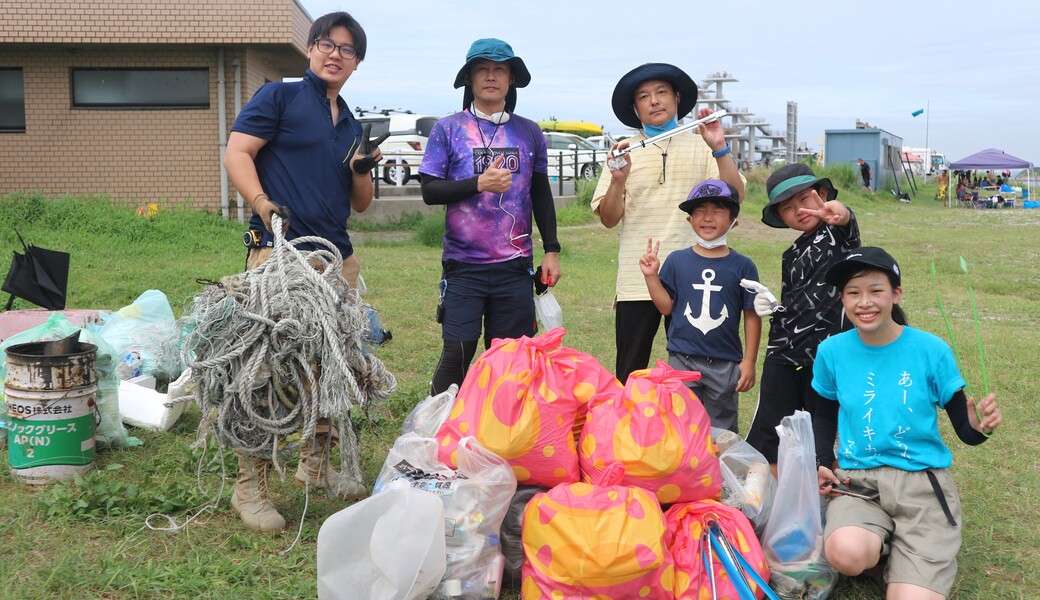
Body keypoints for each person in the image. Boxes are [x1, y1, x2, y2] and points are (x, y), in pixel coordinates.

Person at [222, 11, 379, 532]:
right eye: (326, 44)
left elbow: (361, 204)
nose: (335, 54)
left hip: (336, 259)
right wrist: (263, 203)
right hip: (279, 254)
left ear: (356, 62)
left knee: (333, 366)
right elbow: (238, 152)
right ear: (310, 50)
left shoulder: (352, 125)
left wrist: (361, 169)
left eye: (347, 49)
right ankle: (250, 488)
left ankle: (315, 466)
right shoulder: (280, 97)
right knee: (268, 369)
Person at [812, 247, 1002, 599]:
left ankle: (913, 553)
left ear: (896, 294)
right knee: (845, 552)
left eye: (875, 291)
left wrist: (979, 426)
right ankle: (883, 551)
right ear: (842, 299)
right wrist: (823, 461)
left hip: (921, 487)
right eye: (853, 293)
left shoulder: (931, 350)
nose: (864, 302)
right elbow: (824, 412)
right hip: (859, 484)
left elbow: (965, 428)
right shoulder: (832, 351)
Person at [419, 38, 561, 395]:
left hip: (515, 267)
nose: (491, 76)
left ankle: (502, 442)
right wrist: (478, 183)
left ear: (511, 79)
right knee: (457, 354)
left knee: (512, 362)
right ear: (469, 78)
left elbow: (541, 194)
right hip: (463, 266)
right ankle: (437, 439)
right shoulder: (448, 129)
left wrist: (552, 249)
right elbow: (430, 191)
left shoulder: (529, 132)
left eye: (500, 69)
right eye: (482, 68)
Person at [591, 63, 745, 383]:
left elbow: (735, 195)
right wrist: (619, 179)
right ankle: (629, 429)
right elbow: (608, 219)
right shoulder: (623, 151)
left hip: (694, 274)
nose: (655, 101)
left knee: (695, 368)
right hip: (637, 277)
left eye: (662, 92)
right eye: (644, 96)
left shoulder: (702, 145)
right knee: (630, 370)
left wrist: (719, 147)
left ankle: (690, 429)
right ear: (635, 108)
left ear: (676, 98)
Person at [745, 163, 860, 472]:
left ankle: (828, 495)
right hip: (783, 348)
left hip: (825, 351)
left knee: (824, 428)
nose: (798, 211)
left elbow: (846, 221)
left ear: (821, 195)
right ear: (780, 217)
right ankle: (769, 499)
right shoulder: (791, 254)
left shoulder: (838, 233)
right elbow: (797, 301)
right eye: (787, 208)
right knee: (771, 427)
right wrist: (773, 306)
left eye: (804, 200)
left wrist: (842, 213)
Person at [638, 180, 761, 432]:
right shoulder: (676, 261)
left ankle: (717, 471)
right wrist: (651, 276)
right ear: (689, 220)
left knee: (722, 431)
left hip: (725, 363)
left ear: (734, 221)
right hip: (682, 359)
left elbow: (751, 315)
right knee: (680, 426)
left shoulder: (743, 266)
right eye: (699, 211)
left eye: (718, 210)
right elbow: (666, 308)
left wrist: (749, 361)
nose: (707, 217)